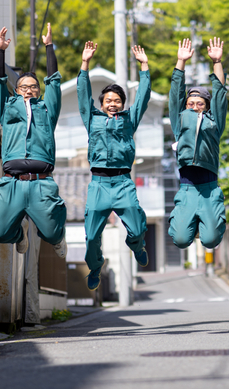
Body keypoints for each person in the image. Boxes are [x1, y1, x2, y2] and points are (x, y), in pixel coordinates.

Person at [0, 24, 67, 258]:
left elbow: (53, 81)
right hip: (12, 182)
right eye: (23, 87)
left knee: (52, 234)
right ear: (17, 90)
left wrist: (49, 46)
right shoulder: (7, 107)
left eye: (33, 87)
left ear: (38, 91)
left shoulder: (47, 108)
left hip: (41, 183)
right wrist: (0, 51)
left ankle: (58, 237)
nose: (29, 90)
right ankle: (20, 233)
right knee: (0, 233)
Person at [78, 41, 151, 290]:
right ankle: (96, 266)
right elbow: (81, 94)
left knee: (138, 226)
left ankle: (136, 245)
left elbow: (143, 97)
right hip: (98, 184)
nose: (113, 103)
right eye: (108, 100)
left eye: (117, 100)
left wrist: (144, 67)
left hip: (122, 182)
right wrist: (85, 63)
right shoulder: (92, 118)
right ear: (101, 104)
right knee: (90, 237)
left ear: (122, 103)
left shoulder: (129, 119)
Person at [168, 38, 228, 250]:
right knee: (181, 240)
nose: (194, 106)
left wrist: (217, 62)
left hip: (210, 190)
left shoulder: (214, 122)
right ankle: (189, 223)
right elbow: (176, 94)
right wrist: (180, 62)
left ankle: (208, 224)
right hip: (187, 189)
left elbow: (220, 94)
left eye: (199, 103)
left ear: (207, 106)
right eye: (190, 103)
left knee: (211, 241)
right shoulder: (180, 120)